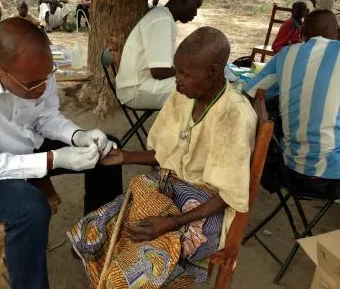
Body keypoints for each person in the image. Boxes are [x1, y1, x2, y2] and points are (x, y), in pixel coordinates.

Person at [0, 18, 123, 288]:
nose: (42, 88)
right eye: (33, 84)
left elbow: (44, 115)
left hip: (23, 144)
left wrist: (77, 136)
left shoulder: (36, 68)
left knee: (104, 151)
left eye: (47, 77)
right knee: (30, 209)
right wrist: (52, 160)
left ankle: (93, 242)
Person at [68, 27, 257, 288]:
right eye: (177, 71)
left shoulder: (234, 116)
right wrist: (125, 156)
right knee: (98, 231)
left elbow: (227, 194)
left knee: (130, 269)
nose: (177, 80)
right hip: (170, 186)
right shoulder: (182, 96)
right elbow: (167, 155)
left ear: (214, 72)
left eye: (185, 74)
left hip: (206, 203)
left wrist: (172, 222)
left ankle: (122, 278)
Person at [244, 9, 340, 198]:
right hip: (330, 178)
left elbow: (249, 93)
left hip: (289, 171)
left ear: (303, 33)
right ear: (336, 32)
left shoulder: (286, 54)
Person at [115, 0, 203, 109]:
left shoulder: (162, 15)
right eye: (195, 6)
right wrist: (188, 71)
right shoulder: (162, 20)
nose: (195, 13)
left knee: (194, 82)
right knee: (199, 86)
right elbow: (159, 72)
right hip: (135, 90)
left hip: (136, 84)